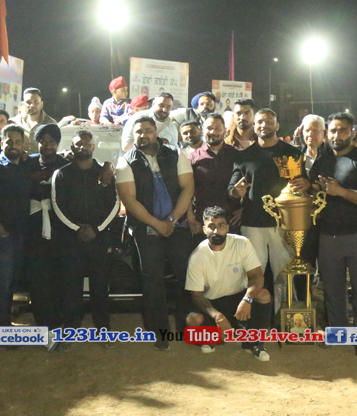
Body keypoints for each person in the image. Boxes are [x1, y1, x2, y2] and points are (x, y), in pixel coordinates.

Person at [116, 115, 196, 349]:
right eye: (139, 131)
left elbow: (188, 188)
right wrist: (157, 224)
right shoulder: (125, 161)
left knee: (185, 277)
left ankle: (185, 327)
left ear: (156, 132)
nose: (143, 135)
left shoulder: (176, 153)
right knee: (152, 281)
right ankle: (159, 333)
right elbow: (129, 200)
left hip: (177, 227)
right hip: (145, 230)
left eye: (148, 130)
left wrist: (171, 220)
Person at [308, 112, 357, 354]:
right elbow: (314, 191)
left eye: (342, 130)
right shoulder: (322, 161)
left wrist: (341, 191)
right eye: (333, 130)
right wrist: (307, 188)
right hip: (328, 235)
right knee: (333, 289)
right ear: (327, 133)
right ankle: (338, 334)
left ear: (351, 132)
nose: (336, 135)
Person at [229, 108, 308, 316]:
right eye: (260, 122)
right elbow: (232, 188)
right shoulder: (244, 156)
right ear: (255, 126)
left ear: (277, 126)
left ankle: (284, 318)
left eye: (269, 121)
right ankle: (255, 319)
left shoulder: (292, 153)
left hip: (284, 224)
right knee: (253, 274)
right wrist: (236, 192)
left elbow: (303, 183)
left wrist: (306, 183)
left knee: (284, 274)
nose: (264, 125)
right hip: (253, 223)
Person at [51, 130, 120, 337]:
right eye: (78, 144)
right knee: (72, 285)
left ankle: (103, 327)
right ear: (72, 147)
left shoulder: (105, 172)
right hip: (71, 239)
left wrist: (96, 230)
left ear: (93, 146)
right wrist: (77, 229)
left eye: (87, 143)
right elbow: (57, 205)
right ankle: (70, 327)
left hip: (99, 238)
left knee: (100, 285)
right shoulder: (61, 174)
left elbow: (115, 204)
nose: (83, 146)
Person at [185, 206, 273, 361]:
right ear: (204, 229)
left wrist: (247, 299)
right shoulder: (197, 256)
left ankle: (254, 343)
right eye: (211, 226)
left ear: (227, 227)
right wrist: (217, 316)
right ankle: (214, 337)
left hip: (239, 298)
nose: (216, 231)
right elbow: (196, 296)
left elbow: (257, 276)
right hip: (212, 302)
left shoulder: (242, 243)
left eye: (221, 226)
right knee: (193, 320)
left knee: (264, 295)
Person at [0, 124, 33, 327]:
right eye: (9, 142)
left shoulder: (24, 166)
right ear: (2, 143)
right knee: (2, 284)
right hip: (1, 238)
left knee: (11, 283)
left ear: (23, 145)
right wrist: (1, 231)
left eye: (17, 142)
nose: (13, 146)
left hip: (19, 235)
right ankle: (0, 328)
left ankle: (5, 324)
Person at [24, 124, 69, 331]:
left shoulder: (66, 164)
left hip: (60, 227)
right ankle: (43, 321)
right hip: (33, 228)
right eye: (43, 141)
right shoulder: (28, 163)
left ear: (57, 143)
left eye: (51, 141)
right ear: (37, 143)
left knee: (59, 275)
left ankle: (59, 320)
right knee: (37, 276)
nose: (47, 145)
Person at [187, 114, 239, 234]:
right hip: (203, 221)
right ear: (202, 130)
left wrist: (244, 210)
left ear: (225, 130)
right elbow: (186, 190)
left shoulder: (238, 155)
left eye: (218, 128)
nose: (213, 132)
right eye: (209, 128)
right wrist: (191, 218)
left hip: (233, 220)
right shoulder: (193, 158)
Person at [11, 88, 57, 153]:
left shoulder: (50, 124)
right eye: (28, 102)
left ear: (41, 104)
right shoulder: (16, 121)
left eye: (36, 102)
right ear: (23, 104)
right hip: (20, 158)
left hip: (41, 159)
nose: (32, 105)